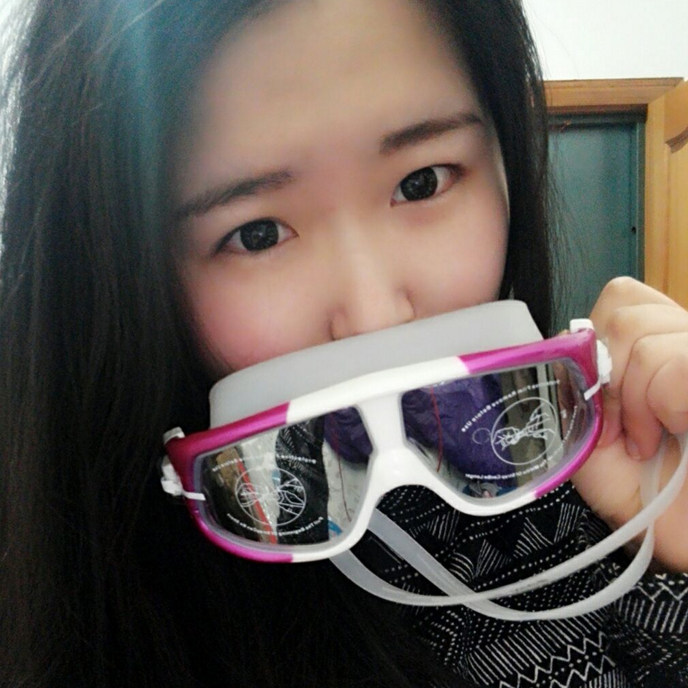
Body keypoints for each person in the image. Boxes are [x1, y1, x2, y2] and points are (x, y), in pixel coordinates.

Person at [1, 0, 687, 686]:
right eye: (257, 234)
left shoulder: (619, 477)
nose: (374, 314)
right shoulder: (75, 610)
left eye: (421, 183)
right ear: (126, 282)